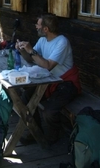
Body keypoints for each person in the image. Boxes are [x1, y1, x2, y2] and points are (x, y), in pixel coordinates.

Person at [15, 14, 81, 145]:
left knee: (49, 111)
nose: (36, 26)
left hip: (66, 83)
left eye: (38, 24)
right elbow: (31, 59)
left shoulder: (62, 42)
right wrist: (22, 50)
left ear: (45, 29)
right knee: (25, 98)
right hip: (49, 81)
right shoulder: (43, 40)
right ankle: (36, 131)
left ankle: (51, 139)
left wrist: (30, 50)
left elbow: (48, 65)